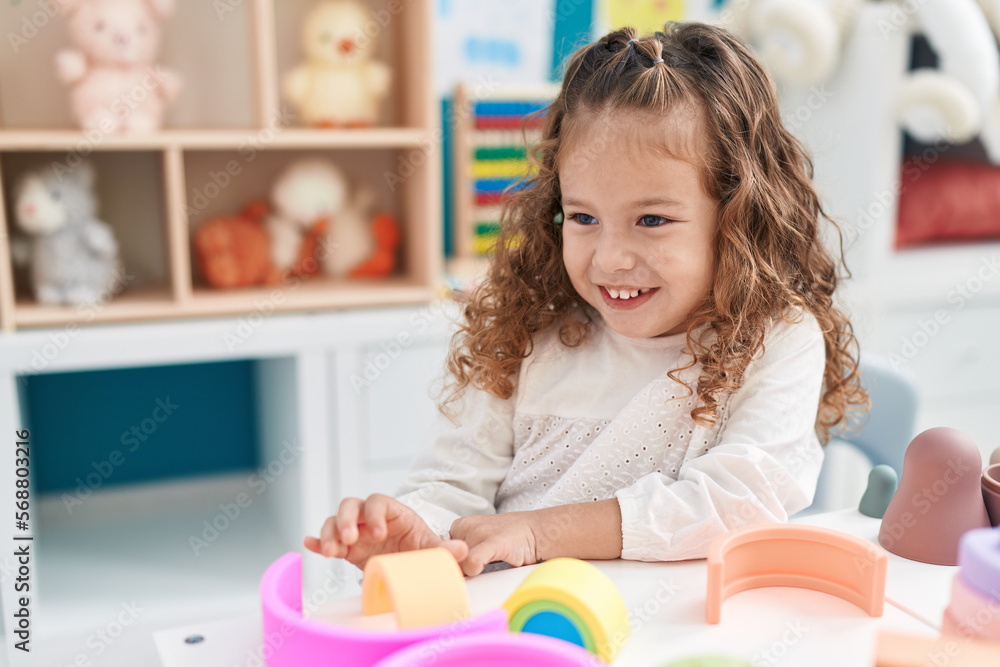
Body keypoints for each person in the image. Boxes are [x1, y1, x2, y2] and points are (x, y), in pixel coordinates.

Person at [304, 22, 869, 576]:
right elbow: (452, 487)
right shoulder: (528, 328)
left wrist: (538, 531)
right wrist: (413, 535)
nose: (610, 258)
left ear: (738, 218)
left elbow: (738, 501)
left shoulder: (776, 338)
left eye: (652, 219)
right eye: (584, 217)